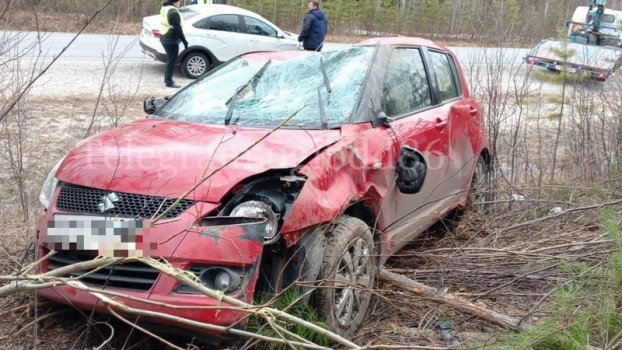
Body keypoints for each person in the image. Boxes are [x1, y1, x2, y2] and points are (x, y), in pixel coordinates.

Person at [159, 0, 188, 88]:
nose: (179, 3)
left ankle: (167, 79)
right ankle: (169, 82)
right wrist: (184, 41)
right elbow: (178, 28)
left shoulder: (165, 7)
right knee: (172, 61)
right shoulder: (173, 12)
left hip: (164, 36)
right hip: (171, 39)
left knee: (170, 60)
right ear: (176, 2)